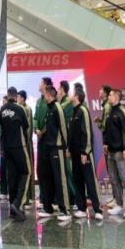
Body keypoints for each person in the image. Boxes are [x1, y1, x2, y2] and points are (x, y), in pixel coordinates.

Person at [68, 87, 103, 220]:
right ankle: (82, 208)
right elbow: (72, 134)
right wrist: (69, 149)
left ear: (77, 96)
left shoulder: (83, 110)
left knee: (90, 181)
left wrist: (85, 152)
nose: (70, 95)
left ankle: (98, 209)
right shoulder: (73, 111)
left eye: (72, 93)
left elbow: (87, 132)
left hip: (84, 154)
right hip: (75, 154)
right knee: (77, 181)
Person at [37, 85, 71, 221]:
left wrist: (67, 147)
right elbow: (48, 127)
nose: (43, 96)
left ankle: (65, 210)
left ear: (49, 95)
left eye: (44, 94)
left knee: (60, 179)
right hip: (48, 148)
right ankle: (48, 208)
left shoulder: (57, 108)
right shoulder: (49, 108)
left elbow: (63, 128)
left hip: (58, 148)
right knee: (48, 178)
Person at [0, 86, 30, 222]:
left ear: (8, 95)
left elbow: (1, 129)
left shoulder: (2, 110)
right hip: (18, 147)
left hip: (7, 149)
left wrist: (2, 148)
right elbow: (26, 128)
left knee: (12, 176)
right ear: (16, 96)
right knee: (26, 172)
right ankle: (17, 204)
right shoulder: (20, 109)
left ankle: (13, 209)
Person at [104, 89, 125, 219]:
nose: (108, 96)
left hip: (120, 151)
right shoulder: (110, 111)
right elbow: (107, 130)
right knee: (113, 179)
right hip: (110, 152)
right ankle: (118, 204)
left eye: (110, 95)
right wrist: (106, 143)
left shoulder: (122, 111)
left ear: (117, 97)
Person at [94, 84, 114, 207]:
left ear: (105, 93)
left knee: (112, 169)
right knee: (110, 169)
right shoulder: (105, 106)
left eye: (101, 90)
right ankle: (115, 197)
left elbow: (105, 127)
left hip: (109, 142)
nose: (99, 91)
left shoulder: (107, 106)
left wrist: (99, 123)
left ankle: (116, 198)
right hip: (108, 141)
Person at [58, 80, 76, 209]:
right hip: (64, 143)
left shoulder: (67, 104)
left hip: (67, 143)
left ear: (62, 89)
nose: (57, 91)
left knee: (68, 172)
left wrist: (68, 145)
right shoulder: (62, 103)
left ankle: (74, 198)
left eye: (59, 88)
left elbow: (67, 126)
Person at [34, 77, 52, 210]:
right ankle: (43, 197)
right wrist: (36, 129)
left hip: (48, 139)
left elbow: (50, 119)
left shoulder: (49, 101)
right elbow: (35, 118)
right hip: (40, 139)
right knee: (40, 169)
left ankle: (50, 199)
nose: (39, 85)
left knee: (48, 170)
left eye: (41, 83)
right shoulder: (39, 101)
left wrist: (43, 131)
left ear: (45, 85)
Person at [17, 90, 35, 208]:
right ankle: (24, 197)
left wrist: (25, 142)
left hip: (26, 144)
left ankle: (29, 198)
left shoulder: (27, 109)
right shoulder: (19, 108)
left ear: (23, 98)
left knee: (28, 170)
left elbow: (28, 127)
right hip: (21, 144)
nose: (17, 99)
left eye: (19, 97)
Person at [0, 94, 9, 201]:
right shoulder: (1, 114)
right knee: (2, 169)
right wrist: (0, 148)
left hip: (11, 147)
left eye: (4, 102)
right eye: (2, 102)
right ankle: (3, 191)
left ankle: (10, 191)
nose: (3, 104)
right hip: (3, 146)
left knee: (10, 170)